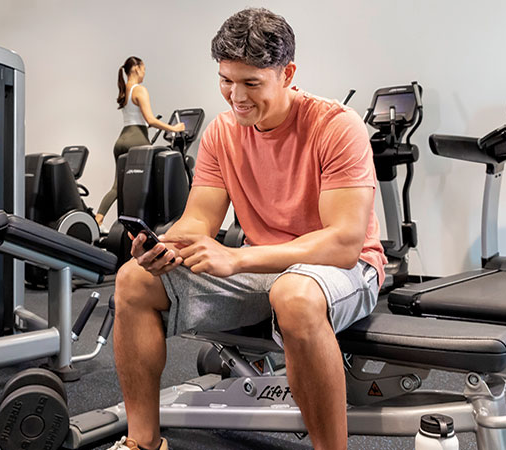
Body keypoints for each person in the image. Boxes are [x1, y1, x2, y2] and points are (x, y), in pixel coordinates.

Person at [108, 8, 386, 450]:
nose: (235, 96)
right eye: (226, 80)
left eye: (251, 83)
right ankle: (143, 444)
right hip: (263, 268)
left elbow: (345, 242)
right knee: (134, 280)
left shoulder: (336, 127)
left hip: (341, 268)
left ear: (287, 74)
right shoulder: (222, 133)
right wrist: (166, 246)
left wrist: (236, 257)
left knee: (292, 295)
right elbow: (200, 219)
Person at [95, 56, 185, 227]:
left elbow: (137, 119)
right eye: (143, 69)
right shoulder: (140, 90)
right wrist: (175, 128)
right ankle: (147, 223)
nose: (144, 73)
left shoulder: (125, 89)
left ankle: (98, 219)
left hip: (122, 139)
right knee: (148, 183)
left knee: (118, 186)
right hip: (137, 140)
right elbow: (150, 119)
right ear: (136, 68)